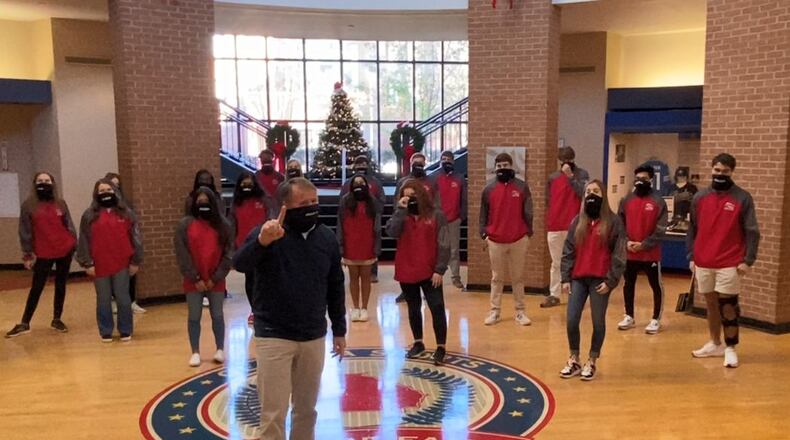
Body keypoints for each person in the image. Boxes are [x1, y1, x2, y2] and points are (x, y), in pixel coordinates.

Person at [233, 177, 346, 440]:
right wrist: (261, 242)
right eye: (303, 204)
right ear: (284, 206)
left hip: (313, 335)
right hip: (274, 335)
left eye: (314, 202)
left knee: (306, 410)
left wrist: (339, 329)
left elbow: (335, 285)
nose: (311, 208)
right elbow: (239, 263)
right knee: (273, 412)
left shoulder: (326, 237)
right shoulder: (268, 233)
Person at [688, 153, 759, 368]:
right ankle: (715, 343)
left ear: (732, 172)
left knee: (728, 306)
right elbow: (692, 228)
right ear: (712, 170)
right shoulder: (699, 197)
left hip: (729, 261)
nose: (720, 174)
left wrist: (748, 260)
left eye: (725, 171)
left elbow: (752, 231)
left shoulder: (742, 198)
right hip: (703, 260)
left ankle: (730, 348)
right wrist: (691, 256)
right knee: (711, 305)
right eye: (717, 170)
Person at [559, 180, 627, 381]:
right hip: (578, 279)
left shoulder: (614, 222)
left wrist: (611, 281)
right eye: (588, 191)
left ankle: (592, 360)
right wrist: (565, 278)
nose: (591, 194)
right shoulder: (577, 222)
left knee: (598, 322)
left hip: (600, 281)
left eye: (596, 191)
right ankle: (574, 358)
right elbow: (568, 251)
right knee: (572, 320)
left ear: (603, 195)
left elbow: (619, 254)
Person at [386, 179, 450, 365]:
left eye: (413, 195)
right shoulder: (400, 216)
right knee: (413, 307)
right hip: (407, 269)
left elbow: (444, 243)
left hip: (430, 271)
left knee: (436, 307)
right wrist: (400, 210)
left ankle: (441, 347)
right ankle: (418, 342)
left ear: (421, 195)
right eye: (405, 196)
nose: (409, 199)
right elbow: (391, 232)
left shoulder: (436, 215)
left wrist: (439, 269)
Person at [6, 172, 77, 338]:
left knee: (61, 285)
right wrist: (27, 254)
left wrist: (74, 242)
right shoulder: (28, 205)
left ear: (52, 183)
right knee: (37, 287)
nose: (43, 183)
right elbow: (25, 231)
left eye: (47, 180)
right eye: (40, 180)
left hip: (64, 249)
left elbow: (68, 224)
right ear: (34, 183)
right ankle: (25, 322)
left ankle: (57, 319)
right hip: (43, 252)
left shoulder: (60, 203)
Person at [76, 179, 143, 343]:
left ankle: (125, 329)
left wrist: (136, 261)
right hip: (99, 264)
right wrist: (87, 263)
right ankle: (106, 330)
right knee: (103, 299)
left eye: (108, 190)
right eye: (101, 191)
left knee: (123, 297)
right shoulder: (89, 215)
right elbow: (83, 240)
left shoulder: (127, 213)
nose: (105, 193)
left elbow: (136, 238)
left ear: (115, 192)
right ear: (96, 194)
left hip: (122, 263)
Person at [175, 189, 232, 367]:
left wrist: (215, 277)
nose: (203, 204)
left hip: (216, 279)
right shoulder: (184, 225)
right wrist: (195, 277)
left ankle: (220, 349)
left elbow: (228, 254)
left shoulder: (223, 225)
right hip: (193, 280)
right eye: (199, 201)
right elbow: (182, 254)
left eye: (206, 201)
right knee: (194, 316)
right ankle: (195, 352)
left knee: (217, 315)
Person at [479, 153, 533, 326]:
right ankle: (495, 311)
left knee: (518, 278)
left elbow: (528, 212)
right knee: (497, 278)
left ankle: (520, 312)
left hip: (518, 239)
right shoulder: (488, 189)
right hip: (495, 240)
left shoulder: (522, 187)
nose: (502, 169)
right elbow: (483, 213)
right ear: (495, 168)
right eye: (499, 166)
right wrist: (483, 233)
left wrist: (528, 232)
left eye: (505, 165)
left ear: (511, 166)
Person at [617, 165, 668, 334]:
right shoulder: (626, 200)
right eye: (637, 178)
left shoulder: (658, 202)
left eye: (644, 179)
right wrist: (626, 242)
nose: (640, 182)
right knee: (628, 284)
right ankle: (629, 316)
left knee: (656, 285)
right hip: (630, 253)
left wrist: (644, 245)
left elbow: (661, 229)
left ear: (651, 180)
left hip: (650, 254)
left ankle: (655, 319)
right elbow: (620, 225)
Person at [542, 146, 589, 308]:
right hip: (555, 225)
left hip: (575, 225)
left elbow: (583, 193)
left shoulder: (582, 175)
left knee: (575, 261)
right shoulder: (553, 177)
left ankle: (576, 294)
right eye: (563, 160)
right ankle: (554, 294)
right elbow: (548, 200)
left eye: (569, 159)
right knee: (556, 262)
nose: (566, 162)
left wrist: (570, 177)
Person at [394, 152, 439, 302]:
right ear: (411, 164)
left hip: (425, 220)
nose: (418, 166)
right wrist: (400, 212)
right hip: (407, 222)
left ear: (425, 164)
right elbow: (397, 202)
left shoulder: (431, 181)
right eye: (415, 163)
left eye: (420, 163)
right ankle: (406, 291)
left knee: (425, 253)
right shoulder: (403, 182)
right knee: (407, 256)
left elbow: (436, 201)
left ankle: (427, 288)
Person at [337, 175, 381, 322]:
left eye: (361, 182)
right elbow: (340, 224)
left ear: (366, 185)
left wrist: (376, 246)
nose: (359, 185)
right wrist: (340, 246)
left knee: (366, 278)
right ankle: (355, 308)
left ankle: (365, 308)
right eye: (356, 183)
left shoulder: (372, 202)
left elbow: (377, 227)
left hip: (367, 245)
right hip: (350, 245)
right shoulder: (345, 201)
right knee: (353, 278)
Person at [228, 171, 269, 326]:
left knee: (264, 280)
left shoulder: (263, 200)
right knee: (250, 280)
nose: (247, 185)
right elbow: (232, 227)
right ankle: (254, 310)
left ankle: (265, 309)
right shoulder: (236, 204)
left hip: (263, 244)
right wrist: (233, 250)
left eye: (249, 182)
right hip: (244, 248)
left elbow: (270, 219)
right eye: (243, 182)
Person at [105, 172, 146, 314]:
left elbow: (133, 228)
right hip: (110, 248)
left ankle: (132, 301)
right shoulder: (100, 208)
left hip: (126, 246)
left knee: (130, 275)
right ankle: (114, 301)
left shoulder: (125, 205)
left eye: (117, 185)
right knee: (112, 276)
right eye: (112, 185)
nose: (115, 188)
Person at [340, 155, 385, 283]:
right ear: (355, 166)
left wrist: (376, 211)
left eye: (364, 164)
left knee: (372, 245)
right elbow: (342, 201)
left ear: (368, 166)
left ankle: (373, 272)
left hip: (371, 218)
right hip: (353, 219)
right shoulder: (348, 183)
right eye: (359, 164)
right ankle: (354, 272)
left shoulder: (375, 182)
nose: (361, 167)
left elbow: (382, 199)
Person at [434, 151, 467, 289]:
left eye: (448, 159)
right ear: (440, 161)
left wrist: (461, 217)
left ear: (453, 161)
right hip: (437, 220)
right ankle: (433, 277)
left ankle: (455, 277)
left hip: (453, 219)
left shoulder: (459, 178)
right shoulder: (434, 177)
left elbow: (464, 199)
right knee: (435, 250)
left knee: (454, 251)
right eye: (443, 159)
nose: (446, 161)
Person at [255, 149, 285, 219]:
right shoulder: (256, 176)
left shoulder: (279, 177)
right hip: (261, 210)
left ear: (272, 159)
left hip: (277, 210)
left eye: (267, 158)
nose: (266, 159)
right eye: (264, 158)